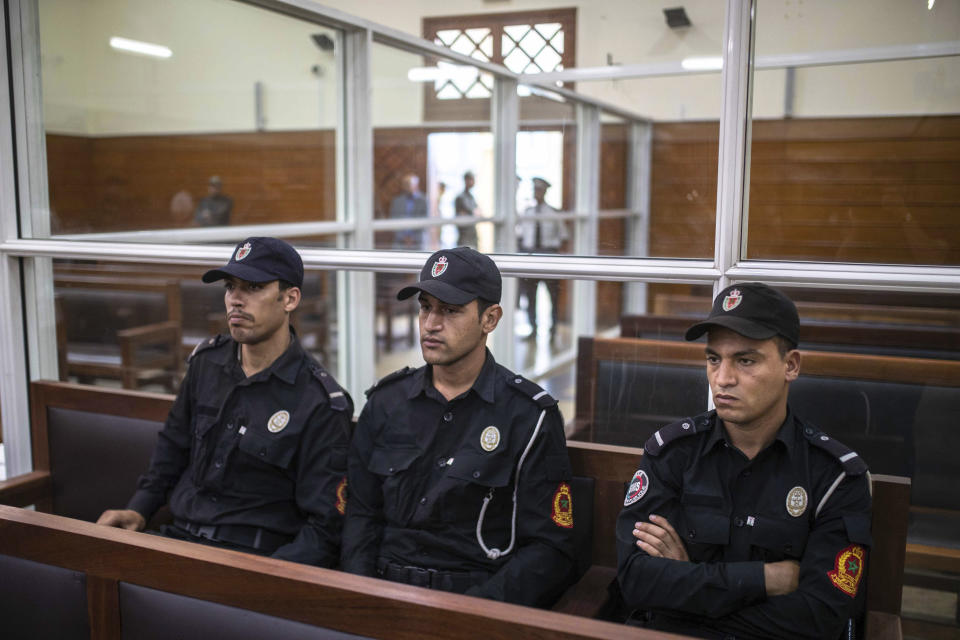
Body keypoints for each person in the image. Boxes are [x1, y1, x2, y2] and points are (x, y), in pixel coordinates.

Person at [616, 283, 872, 639]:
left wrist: (689, 588)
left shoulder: (834, 476)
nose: (722, 379)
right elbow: (635, 580)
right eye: (713, 359)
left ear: (791, 365)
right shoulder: (674, 454)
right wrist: (766, 579)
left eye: (746, 360)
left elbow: (820, 616)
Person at [97, 237, 353, 567]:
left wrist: (271, 577)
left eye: (253, 287)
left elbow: (325, 527)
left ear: (290, 299)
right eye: (231, 287)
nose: (236, 300)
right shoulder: (207, 363)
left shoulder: (319, 401)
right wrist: (139, 508)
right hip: (179, 539)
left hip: (252, 559)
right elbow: (172, 448)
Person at [341, 247, 576, 607]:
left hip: (474, 600)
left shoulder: (528, 417)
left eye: (450, 311)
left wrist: (472, 613)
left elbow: (550, 549)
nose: (431, 324)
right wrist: (360, 598)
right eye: (425, 307)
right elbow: (361, 514)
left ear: (490, 319)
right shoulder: (386, 403)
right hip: (382, 591)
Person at [517, 177, 567, 342]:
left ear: (545, 191)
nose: (536, 193)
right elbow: (520, 235)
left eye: (539, 190)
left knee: (552, 296)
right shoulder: (527, 213)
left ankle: (553, 330)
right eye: (535, 189)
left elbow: (564, 235)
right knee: (531, 296)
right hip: (531, 256)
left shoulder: (553, 213)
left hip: (548, 255)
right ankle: (533, 328)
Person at [387, 173, 428, 249]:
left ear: (416, 185)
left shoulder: (424, 201)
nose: (407, 186)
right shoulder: (397, 201)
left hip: (418, 242)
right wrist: (403, 238)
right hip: (400, 242)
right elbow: (393, 220)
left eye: (409, 184)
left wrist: (413, 238)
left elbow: (425, 222)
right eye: (405, 184)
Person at [454, 171, 479, 248]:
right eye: (472, 179)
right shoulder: (461, 197)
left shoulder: (471, 197)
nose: (473, 182)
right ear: (466, 180)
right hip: (465, 236)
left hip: (472, 234)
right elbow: (473, 211)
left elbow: (477, 212)